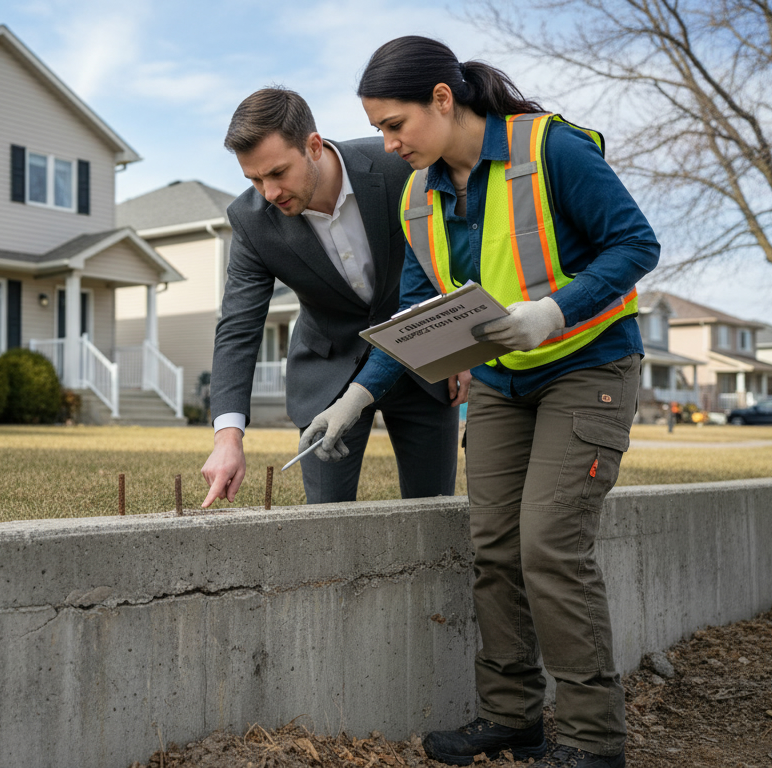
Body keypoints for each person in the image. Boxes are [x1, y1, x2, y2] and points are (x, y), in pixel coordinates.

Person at [348, 37, 660, 767]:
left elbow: (635, 244)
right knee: (493, 550)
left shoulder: (551, 149)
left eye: (396, 125)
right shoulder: (417, 199)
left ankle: (591, 741)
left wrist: (553, 311)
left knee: (550, 547)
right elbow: (417, 318)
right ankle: (513, 717)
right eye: (382, 131)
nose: (389, 145)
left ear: (444, 99)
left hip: (589, 366)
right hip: (498, 383)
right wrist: (359, 395)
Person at [200, 87, 464, 508]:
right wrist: (228, 436)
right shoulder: (250, 221)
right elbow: (238, 326)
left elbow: (449, 255)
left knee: (436, 513)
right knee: (325, 524)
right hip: (329, 375)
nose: (268, 192)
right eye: (254, 179)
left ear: (314, 145)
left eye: (278, 172)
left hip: (422, 365)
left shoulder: (399, 167)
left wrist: (455, 350)